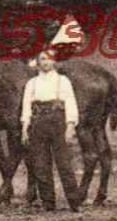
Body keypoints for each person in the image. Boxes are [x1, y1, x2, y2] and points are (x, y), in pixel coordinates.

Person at [21, 51, 81, 212]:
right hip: (38, 122)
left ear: (54, 61)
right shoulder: (32, 83)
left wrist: (70, 126)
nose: (46, 62)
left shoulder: (63, 81)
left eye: (49, 59)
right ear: (38, 62)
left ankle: (74, 202)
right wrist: (25, 128)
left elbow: (70, 103)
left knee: (64, 164)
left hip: (58, 121)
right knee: (40, 164)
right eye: (42, 59)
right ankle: (48, 203)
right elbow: (26, 106)